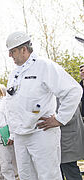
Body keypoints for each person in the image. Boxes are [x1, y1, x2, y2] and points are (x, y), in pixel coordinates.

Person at [5, 31, 82, 180]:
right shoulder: (14, 74)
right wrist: (13, 132)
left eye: (12, 51)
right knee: (26, 176)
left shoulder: (44, 66)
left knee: (48, 176)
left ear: (24, 49)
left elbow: (74, 91)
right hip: (21, 136)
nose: (10, 56)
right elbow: (13, 104)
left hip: (41, 133)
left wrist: (60, 119)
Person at [57, 99, 84, 180]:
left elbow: (69, 116)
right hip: (63, 139)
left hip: (68, 139)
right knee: (59, 170)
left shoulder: (67, 92)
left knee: (70, 170)